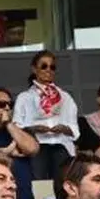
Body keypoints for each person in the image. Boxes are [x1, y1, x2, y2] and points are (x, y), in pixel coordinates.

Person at [14, 51, 79, 180]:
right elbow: (16, 127)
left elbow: (75, 128)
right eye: (44, 66)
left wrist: (64, 128)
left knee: (63, 181)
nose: (48, 70)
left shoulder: (66, 97)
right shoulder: (24, 97)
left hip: (61, 144)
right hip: (37, 145)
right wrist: (33, 129)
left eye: (52, 67)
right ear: (34, 69)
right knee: (39, 182)